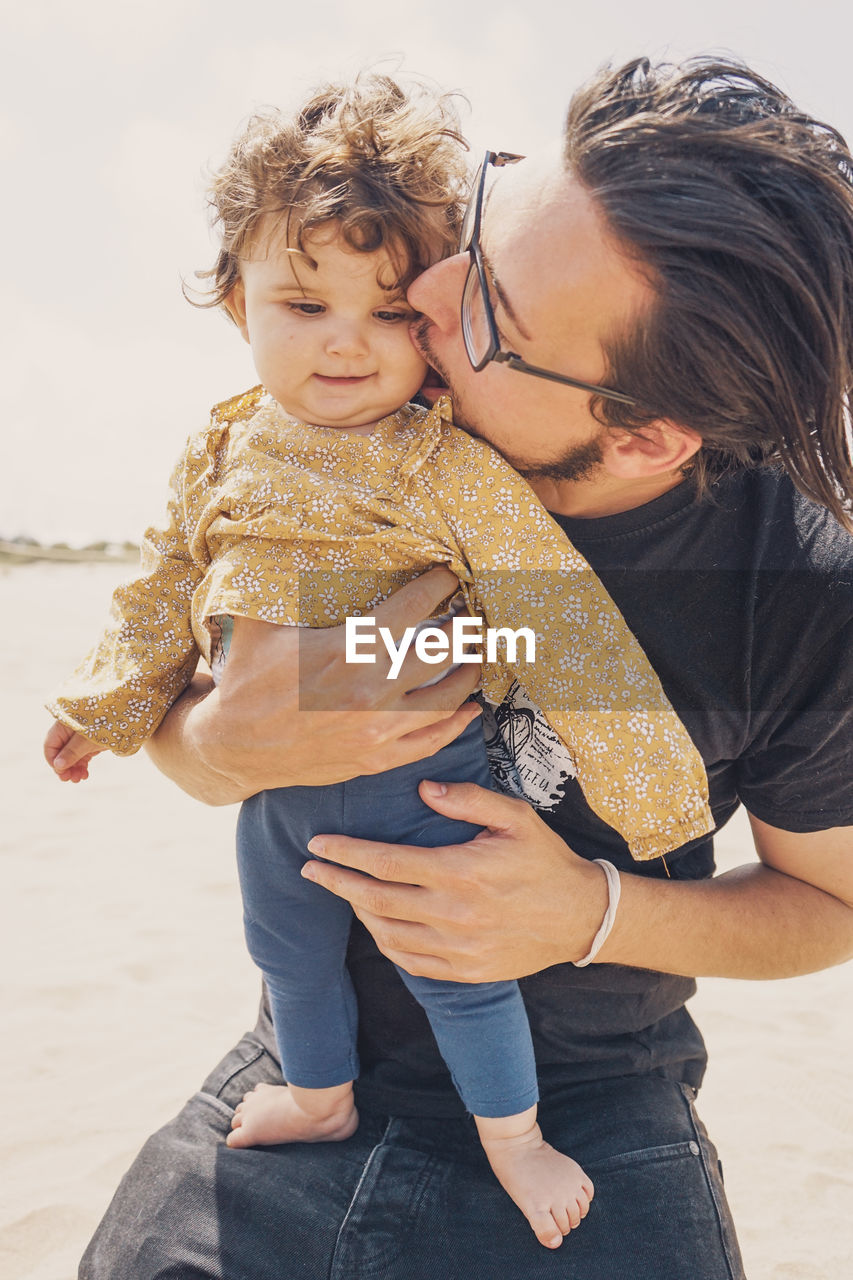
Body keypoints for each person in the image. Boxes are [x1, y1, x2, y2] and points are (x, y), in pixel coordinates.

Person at [77, 55, 853, 1280]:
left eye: (486, 301)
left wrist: (593, 913)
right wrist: (206, 746)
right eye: (488, 216)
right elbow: (198, 653)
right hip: (303, 1058)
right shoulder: (334, 430)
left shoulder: (798, 589)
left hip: (594, 1105)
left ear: (644, 430)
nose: (419, 291)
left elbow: (831, 906)